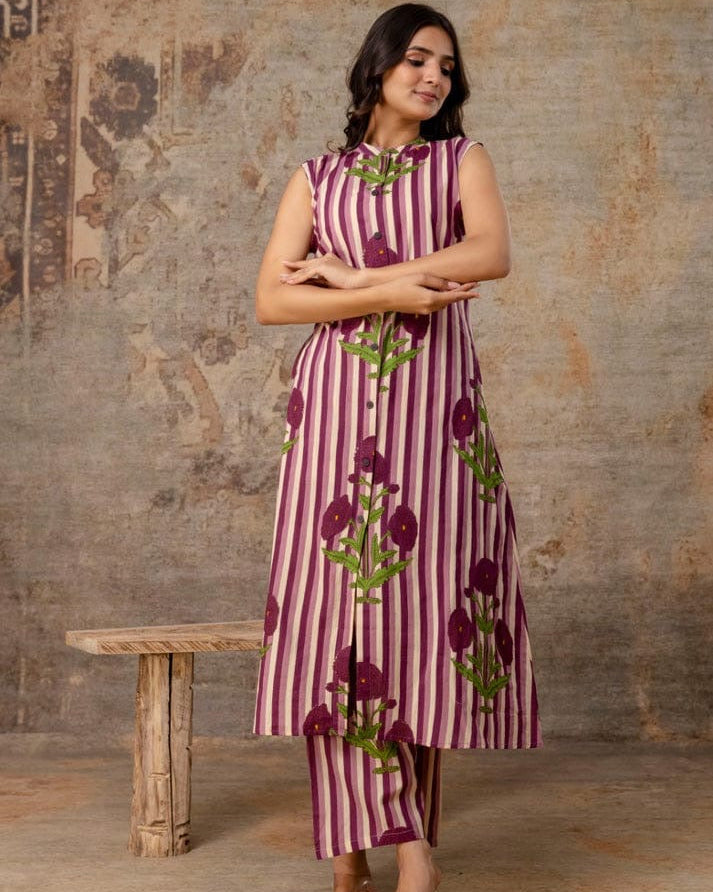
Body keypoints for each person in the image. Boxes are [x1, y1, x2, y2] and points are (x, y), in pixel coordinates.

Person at [252, 4, 543, 891]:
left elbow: (491, 254)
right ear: (377, 64)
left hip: (437, 414)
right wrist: (393, 293)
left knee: (418, 620)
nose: (432, 77)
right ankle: (403, 848)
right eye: (416, 59)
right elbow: (272, 301)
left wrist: (356, 276)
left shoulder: (462, 160)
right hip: (336, 408)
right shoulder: (315, 176)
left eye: (446, 68)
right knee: (334, 622)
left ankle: (357, 853)